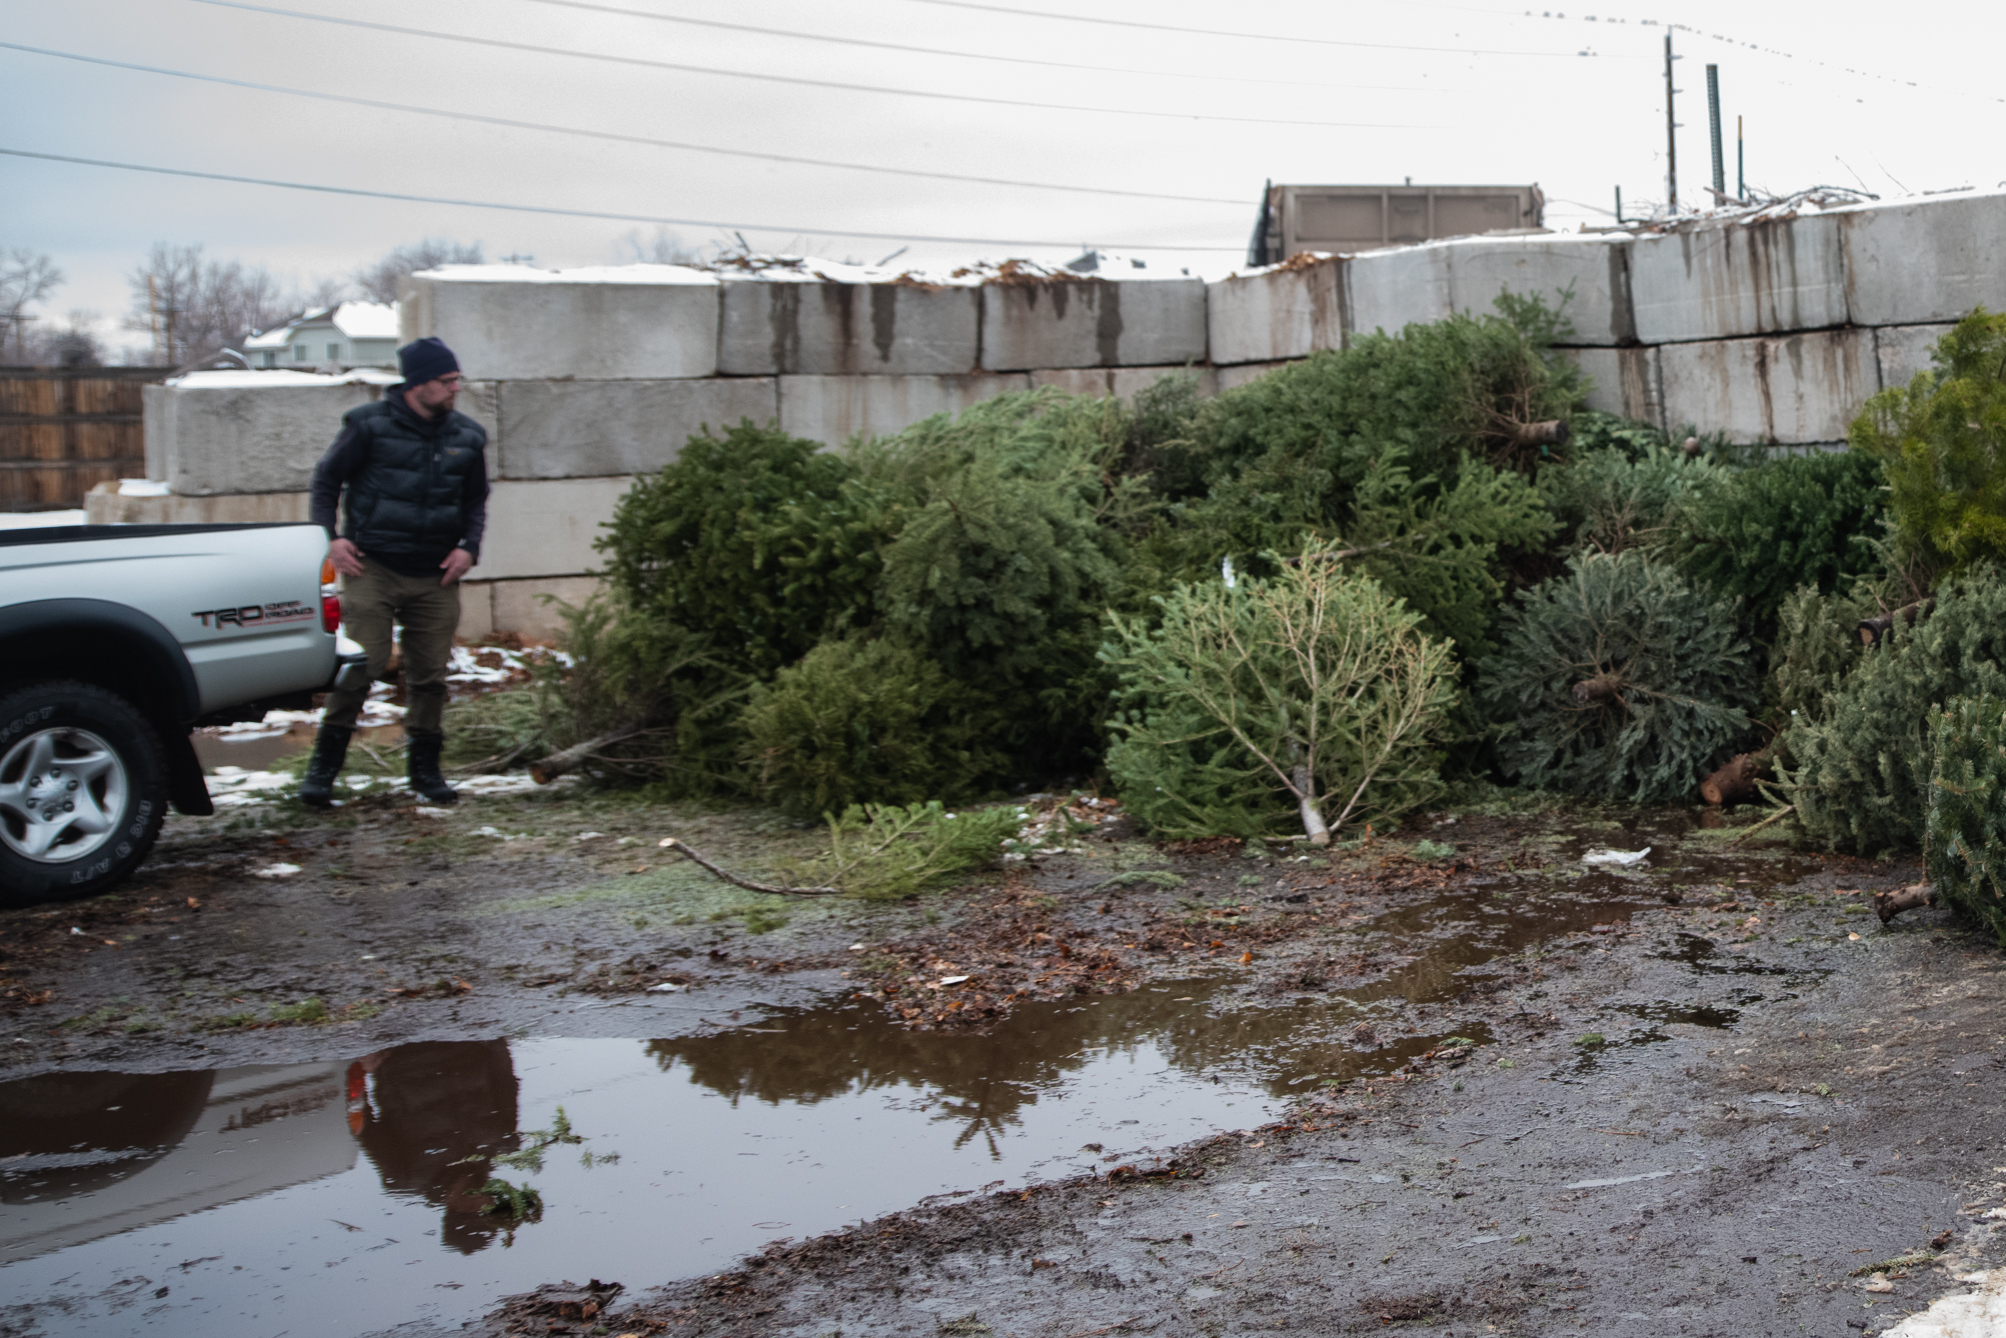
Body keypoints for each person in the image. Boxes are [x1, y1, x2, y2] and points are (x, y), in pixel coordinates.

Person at [299, 337, 488, 807]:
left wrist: (469, 549)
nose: (456, 388)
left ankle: (425, 773)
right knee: (360, 669)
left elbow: (475, 500)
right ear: (418, 383)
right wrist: (330, 539)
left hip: (436, 575)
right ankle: (322, 772)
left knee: (430, 676)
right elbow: (326, 480)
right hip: (374, 568)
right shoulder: (368, 426)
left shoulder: (467, 436)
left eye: (457, 379)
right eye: (447, 380)